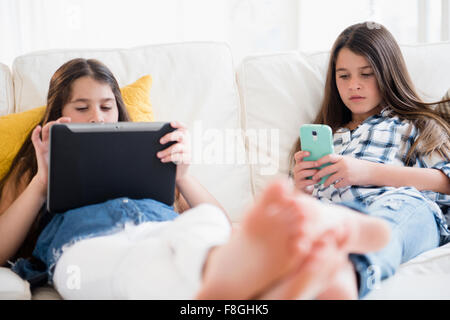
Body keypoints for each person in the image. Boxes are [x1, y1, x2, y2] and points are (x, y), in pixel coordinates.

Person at [0, 58, 391, 300]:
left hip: (164, 232)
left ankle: (247, 266)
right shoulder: (35, 167)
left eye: (106, 107)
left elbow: (217, 218)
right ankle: (258, 275)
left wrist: (182, 176)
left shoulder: (146, 153)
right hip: (85, 247)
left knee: (203, 225)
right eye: (81, 108)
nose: (98, 118)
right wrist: (42, 180)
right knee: (132, 273)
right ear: (58, 114)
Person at [290, 22, 450, 299]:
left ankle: (351, 272)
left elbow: (445, 182)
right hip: (335, 218)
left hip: (404, 211)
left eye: (367, 74)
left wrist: (368, 172)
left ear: (388, 74)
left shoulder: (415, 125)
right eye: (344, 76)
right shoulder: (326, 135)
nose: (354, 85)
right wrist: (299, 189)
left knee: (397, 212)